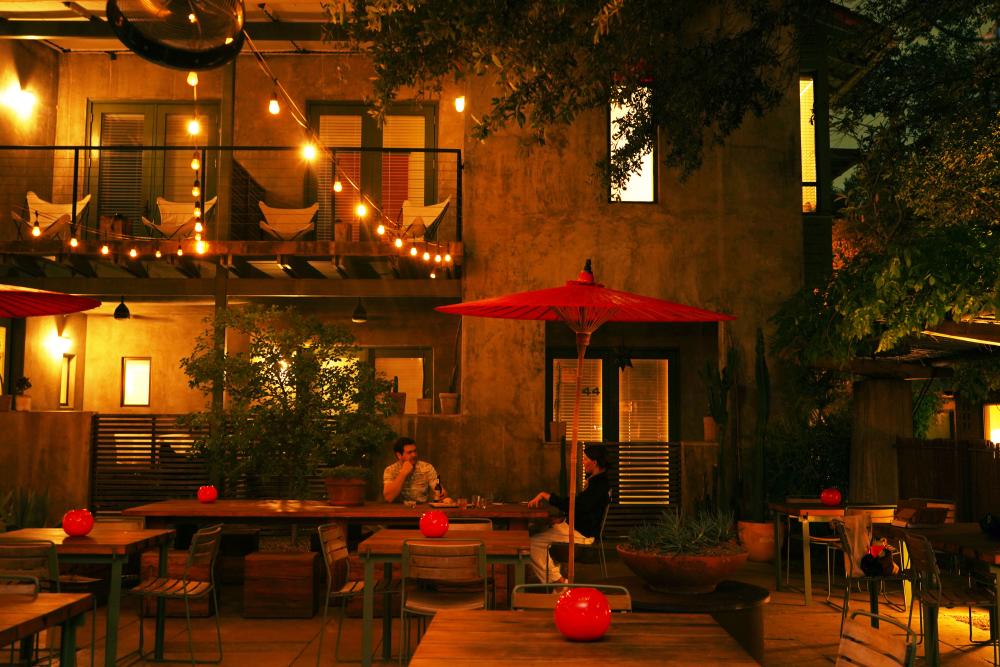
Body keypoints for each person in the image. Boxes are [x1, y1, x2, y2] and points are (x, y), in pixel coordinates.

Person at [527, 444, 610, 583]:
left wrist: (547, 496)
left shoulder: (599, 485)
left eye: (585, 459)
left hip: (581, 533)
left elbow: (577, 505)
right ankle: (555, 575)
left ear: (594, 462)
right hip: (577, 527)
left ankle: (558, 581)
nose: (583, 462)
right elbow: (583, 508)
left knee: (532, 543)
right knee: (539, 533)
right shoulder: (598, 481)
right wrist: (563, 519)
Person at [382, 436, 450, 503]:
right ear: (399, 455)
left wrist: (442, 494)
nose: (414, 455)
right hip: (397, 511)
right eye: (409, 452)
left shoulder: (426, 467)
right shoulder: (390, 470)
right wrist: (403, 473)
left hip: (420, 510)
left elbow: (441, 491)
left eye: (415, 451)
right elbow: (388, 498)